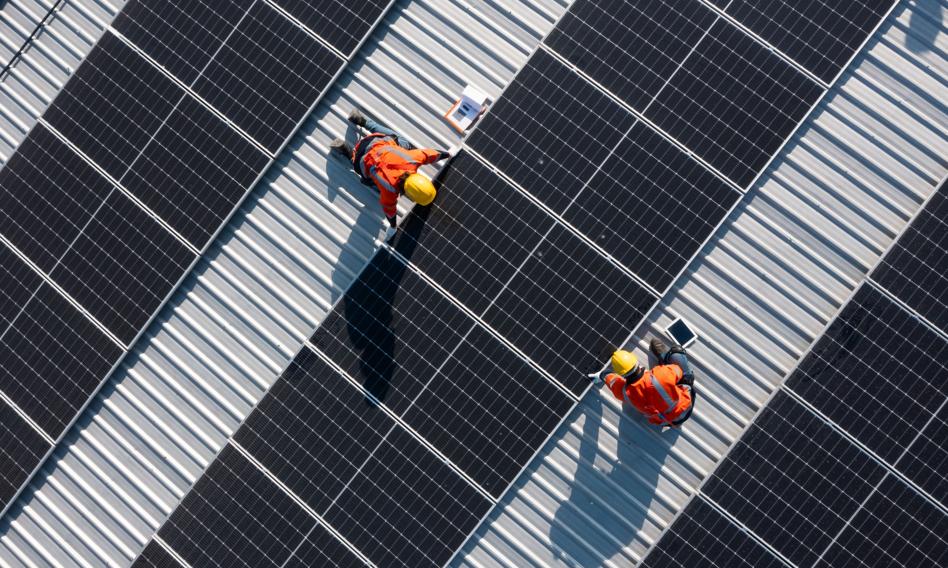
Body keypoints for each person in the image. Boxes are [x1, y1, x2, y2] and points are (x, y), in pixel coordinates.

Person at [331, 109, 451, 240]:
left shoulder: (412, 159)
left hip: (374, 141)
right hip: (360, 159)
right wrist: (392, 226)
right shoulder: (389, 191)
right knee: (372, 183)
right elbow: (390, 211)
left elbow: (431, 154)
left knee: (400, 141)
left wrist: (449, 154)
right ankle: (346, 151)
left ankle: (361, 120)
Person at [589, 338, 696, 427]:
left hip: (665, 421)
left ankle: (663, 359)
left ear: (620, 374)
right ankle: (663, 356)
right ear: (636, 362)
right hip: (686, 406)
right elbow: (678, 370)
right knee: (676, 354)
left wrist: (601, 375)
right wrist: (663, 370)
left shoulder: (625, 394)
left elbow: (610, 379)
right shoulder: (661, 374)